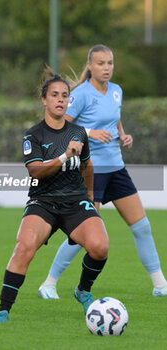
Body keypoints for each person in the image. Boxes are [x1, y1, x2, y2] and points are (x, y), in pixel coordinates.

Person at [38, 44, 167, 300]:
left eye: (109, 63)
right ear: (90, 66)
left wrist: (123, 135)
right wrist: (89, 133)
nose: (106, 68)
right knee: (85, 234)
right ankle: (48, 283)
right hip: (90, 171)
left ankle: (160, 284)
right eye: (100, 63)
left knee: (142, 226)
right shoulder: (81, 95)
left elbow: (113, 117)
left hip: (117, 168)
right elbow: (61, 127)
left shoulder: (117, 91)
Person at [0, 69, 109, 323]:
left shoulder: (78, 132)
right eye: (54, 95)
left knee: (100, 248)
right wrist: (65, 155)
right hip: (42, 201)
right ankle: (3, 309)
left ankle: (82, 290)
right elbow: (36, 170)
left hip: (75, 201)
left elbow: (87, 167)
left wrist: (91, 198)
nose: (60, 100)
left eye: (64, 96)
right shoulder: (33, 135)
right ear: (44, 100)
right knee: (23, 248)